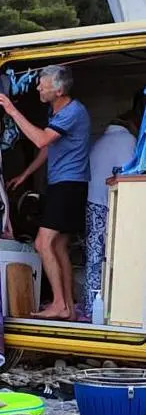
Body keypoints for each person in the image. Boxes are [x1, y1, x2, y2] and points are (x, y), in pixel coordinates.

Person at [0, 64, 90, 321]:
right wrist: (26, 174)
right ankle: (68, 307)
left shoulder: (72, 111)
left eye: (42, 84)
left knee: (42, 243)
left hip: (68, 185)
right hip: (66, 185)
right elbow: (48, 147)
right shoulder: (57, 112)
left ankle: (59, 304)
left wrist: (12, 111)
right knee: (58, 245)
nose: (37, 87)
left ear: (58, 89)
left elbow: (40, 140)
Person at [83, 96, 143, 318]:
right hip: (114, 207)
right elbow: (132, 175)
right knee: (118, 257)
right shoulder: (128, 142)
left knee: (94, 258)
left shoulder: (98, 142)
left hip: (92, 203)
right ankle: (117, 310)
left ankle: (91, 307)